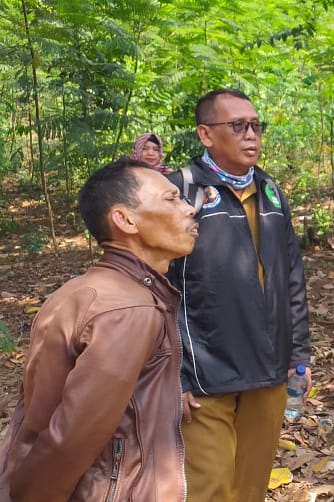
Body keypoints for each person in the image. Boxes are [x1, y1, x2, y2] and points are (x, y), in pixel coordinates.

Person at [0, 158, 198, 501]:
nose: (189, 209)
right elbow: (69, 439)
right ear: (125, 219)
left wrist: (164, 399)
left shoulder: (87, 289)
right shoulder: (130, 309)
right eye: (171, 199)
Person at [166, 89, 311, 502]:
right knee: (209, 488)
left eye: (255, 126)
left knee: (250, 487)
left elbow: (291, 278)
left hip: (268, 369)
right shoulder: (180, 192)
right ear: (206, 134)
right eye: (238, 126)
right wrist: (173, 375)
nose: (251, 135)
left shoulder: (268, 190)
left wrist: (299, 355)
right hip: (205, 374)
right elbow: (160, 289)